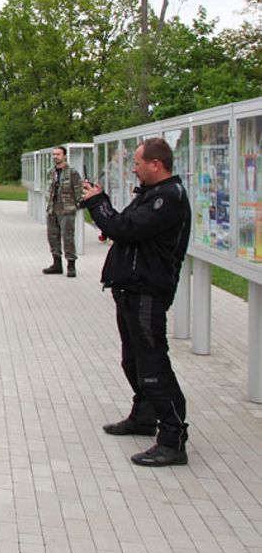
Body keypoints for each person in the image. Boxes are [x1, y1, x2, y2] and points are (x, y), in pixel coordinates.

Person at [81, 137, 191, 467]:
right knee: (133, 360)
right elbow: (121, 226)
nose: (134, 168)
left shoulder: (168, 199)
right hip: (130, 289)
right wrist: (102, 206)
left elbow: (124, 228)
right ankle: (144, 416)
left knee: (153, 363)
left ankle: (173, 438)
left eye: (139, 163)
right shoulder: (152, 195)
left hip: (148, 292)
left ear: (156, 164)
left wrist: (97, 202)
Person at [43, 145, 83, 276]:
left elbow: (78, 190)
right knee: (52, 237)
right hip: (52, 209)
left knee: (68, 238)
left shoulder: (72, 172)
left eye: (58, 154)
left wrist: (77, 205)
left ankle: (71, 265)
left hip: (67, 210)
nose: (55, 157)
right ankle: (56, 263)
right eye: (54, 154)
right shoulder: (50, 172)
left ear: (64, 156)